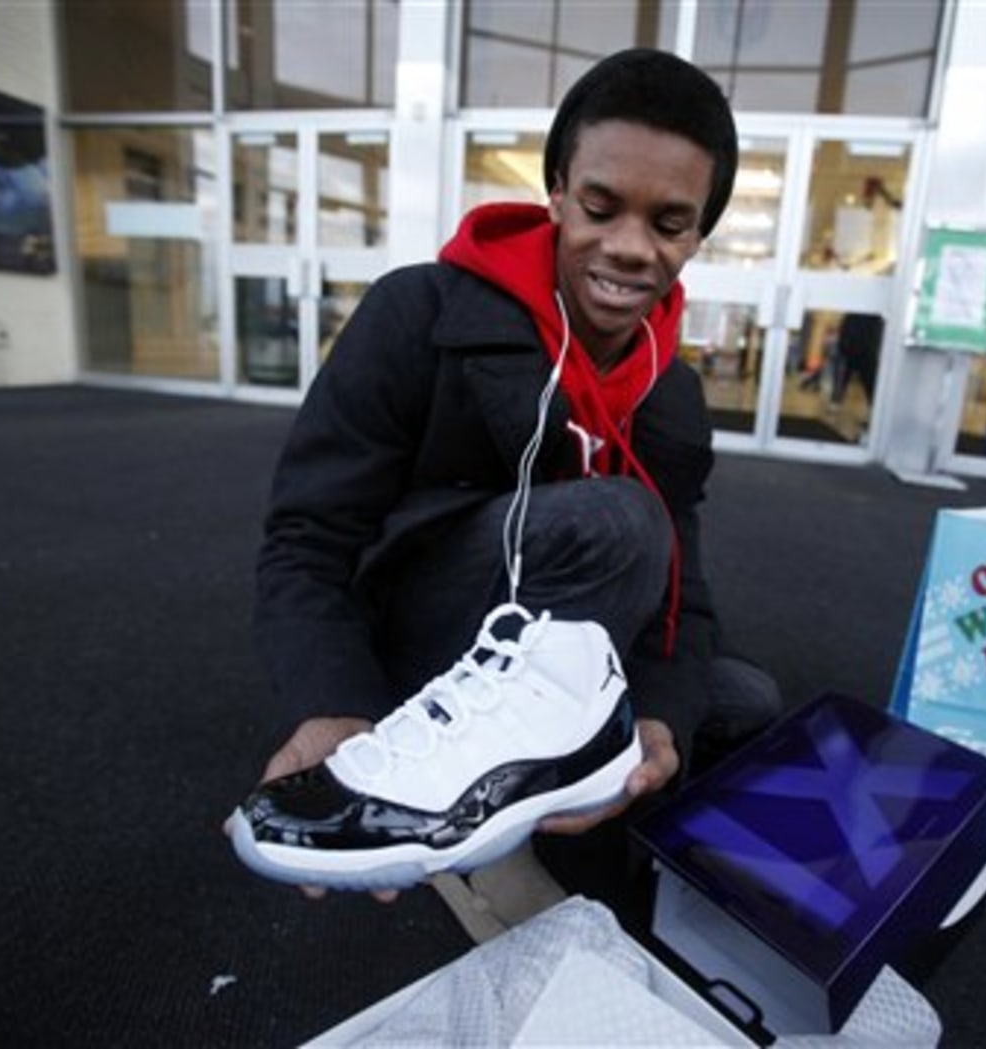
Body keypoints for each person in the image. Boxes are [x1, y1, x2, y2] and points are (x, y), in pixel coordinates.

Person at [248, 49, 780, 894]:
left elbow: (688, 591)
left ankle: (557, 773)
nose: (631, 248)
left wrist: (659, 715)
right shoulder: (418, 310)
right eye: (601, 207)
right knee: (618, 520)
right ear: (558, 193)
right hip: (424, 624)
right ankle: (456, 784)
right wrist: (335, 706)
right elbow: (308, 537)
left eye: (668, 224)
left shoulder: (671, 390)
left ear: (698, 235)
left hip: (561, 640)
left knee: (739, 698)